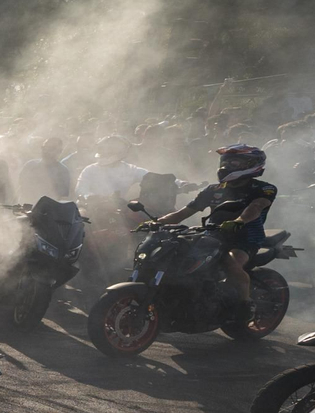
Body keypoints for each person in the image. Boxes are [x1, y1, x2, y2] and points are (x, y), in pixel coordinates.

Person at [151, 143, 274, 323]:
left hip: (245, 238)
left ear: (252, 164)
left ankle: (245, 306)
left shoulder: (263, 188)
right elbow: (183, 213)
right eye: (226, 161)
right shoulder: (213, 189)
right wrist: (155, 222)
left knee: (231, 265)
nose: (227, 166)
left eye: (235, 162)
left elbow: (256, 207)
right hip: (213, 235)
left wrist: (238, 222)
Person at [75, 136, 149, 201]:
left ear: (121, 152)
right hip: (94, 210)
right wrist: (91, 197)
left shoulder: (131, 170)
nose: (106, 151)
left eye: (110, 149)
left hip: (125, 210)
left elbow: (151, 178)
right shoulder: (90, 169)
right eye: (102, 149)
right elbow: (80, 190)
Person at [18, 136, 73, 201]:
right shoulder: (30, 165)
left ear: (59, 151)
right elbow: (22, 186)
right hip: (27, 204)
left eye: (51, 148)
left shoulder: (63, 171)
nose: (46, 151)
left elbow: (63, 196)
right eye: (44, 148)